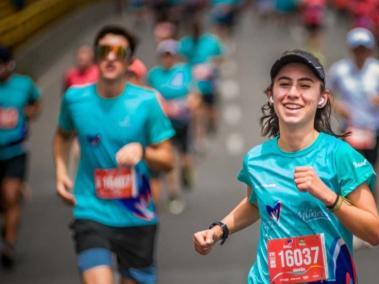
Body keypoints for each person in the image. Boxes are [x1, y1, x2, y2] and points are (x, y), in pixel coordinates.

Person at [193, 50, 379, 283]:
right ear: (271, 95)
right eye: (284, 84)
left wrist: (329, 197)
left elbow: (373, 232)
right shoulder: (256, 159)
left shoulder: (339, 155)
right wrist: (219, 229)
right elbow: (256, 202)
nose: (293, 93)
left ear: (322, 97)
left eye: (305, 85)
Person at [53, 25, 175, 284]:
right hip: (91, 211)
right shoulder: (74, 99)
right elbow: (62, 135)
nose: (110, 56)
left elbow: (168, 159)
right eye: (104, 50)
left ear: (130, 60)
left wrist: (142, 151)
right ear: (96, 56)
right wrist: (62, 172)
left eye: (119, 51)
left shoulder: (147, 102)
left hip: (137, 216)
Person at [0, 45, 42, 268]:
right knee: (3, 202)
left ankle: (9, 244)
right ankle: (7, 224)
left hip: (16, 150)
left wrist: (31, 113)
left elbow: (36, 101)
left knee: (10, 195)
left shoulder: (23, 84)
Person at [147, 39, 200, 214]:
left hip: (182, 121)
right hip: (164, 124)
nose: (167, 58)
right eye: (164, 55)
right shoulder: (154, 74)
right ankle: (173, 194)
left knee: (184, 157)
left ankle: (187, 171)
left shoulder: (184, 71)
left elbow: (194, 94)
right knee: (171, 160)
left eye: (170, 54)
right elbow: (150, 96)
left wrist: (186, 105)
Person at [327, 28, 379, 179]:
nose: (360, 53)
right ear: (351, 49)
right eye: (357, 48)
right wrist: (336, 105)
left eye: (364, 49)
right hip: (350, 126)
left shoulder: (376, 69)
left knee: (369, 168)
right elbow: (325, 92)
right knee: (350, 168)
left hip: (372, 128)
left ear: (370, 49)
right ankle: (350, 199)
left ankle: (368, 199)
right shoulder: (340, 69)